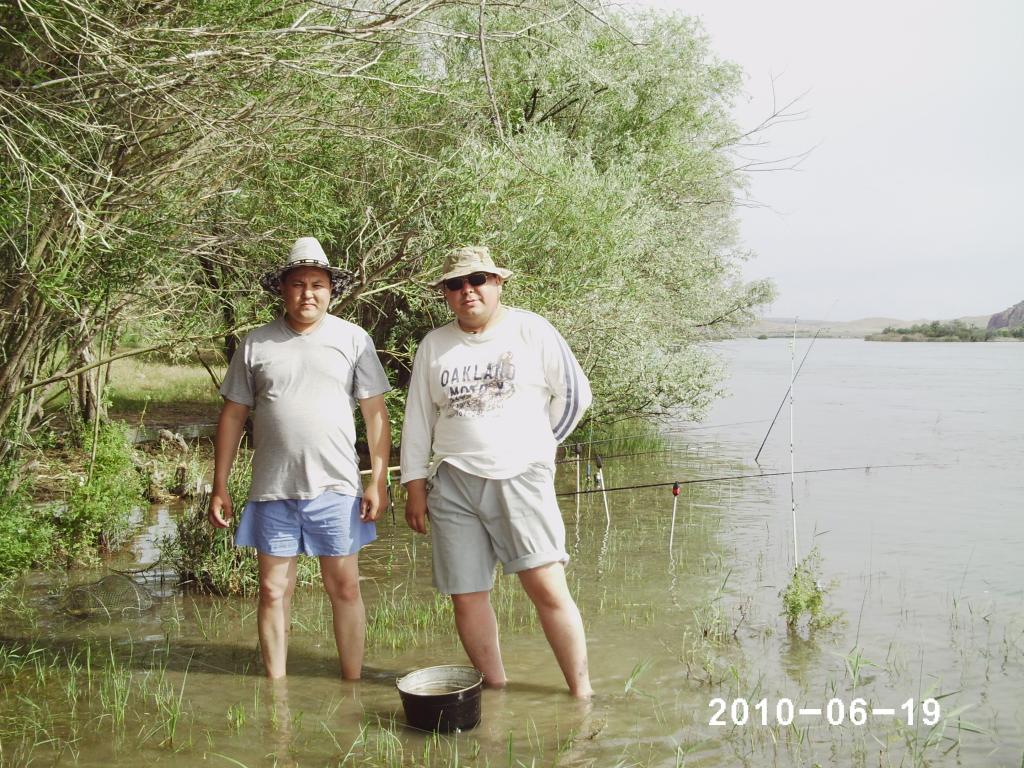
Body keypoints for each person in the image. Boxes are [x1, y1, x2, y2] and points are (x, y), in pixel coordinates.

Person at [401, 246, 593, 698]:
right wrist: (414, 487)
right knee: (466, 595)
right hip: (451, 482)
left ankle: (582, 694)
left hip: (520, 476)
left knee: (547, 587)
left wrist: (539, 449)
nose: (467, 291)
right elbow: (418, 420)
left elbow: (575, 396)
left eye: (477, 280)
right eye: (455, 284)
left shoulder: (532, 329)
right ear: (445, 293)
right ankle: (497, 691)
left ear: (497, 283)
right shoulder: (434, 345)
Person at [209, 236, 391, 680]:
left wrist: (377, 480)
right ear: (282, 289)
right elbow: (232, 416)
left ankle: (352, 684)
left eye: (317, 284)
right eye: (297, 284)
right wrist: (220, 485)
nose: (307, 293)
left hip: (337, 488)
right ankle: (276, 691)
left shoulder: (354, 339)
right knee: (272, 591)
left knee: (344, 587)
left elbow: (375, 414)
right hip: (272, 489)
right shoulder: (255, 344)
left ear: (331, 290)